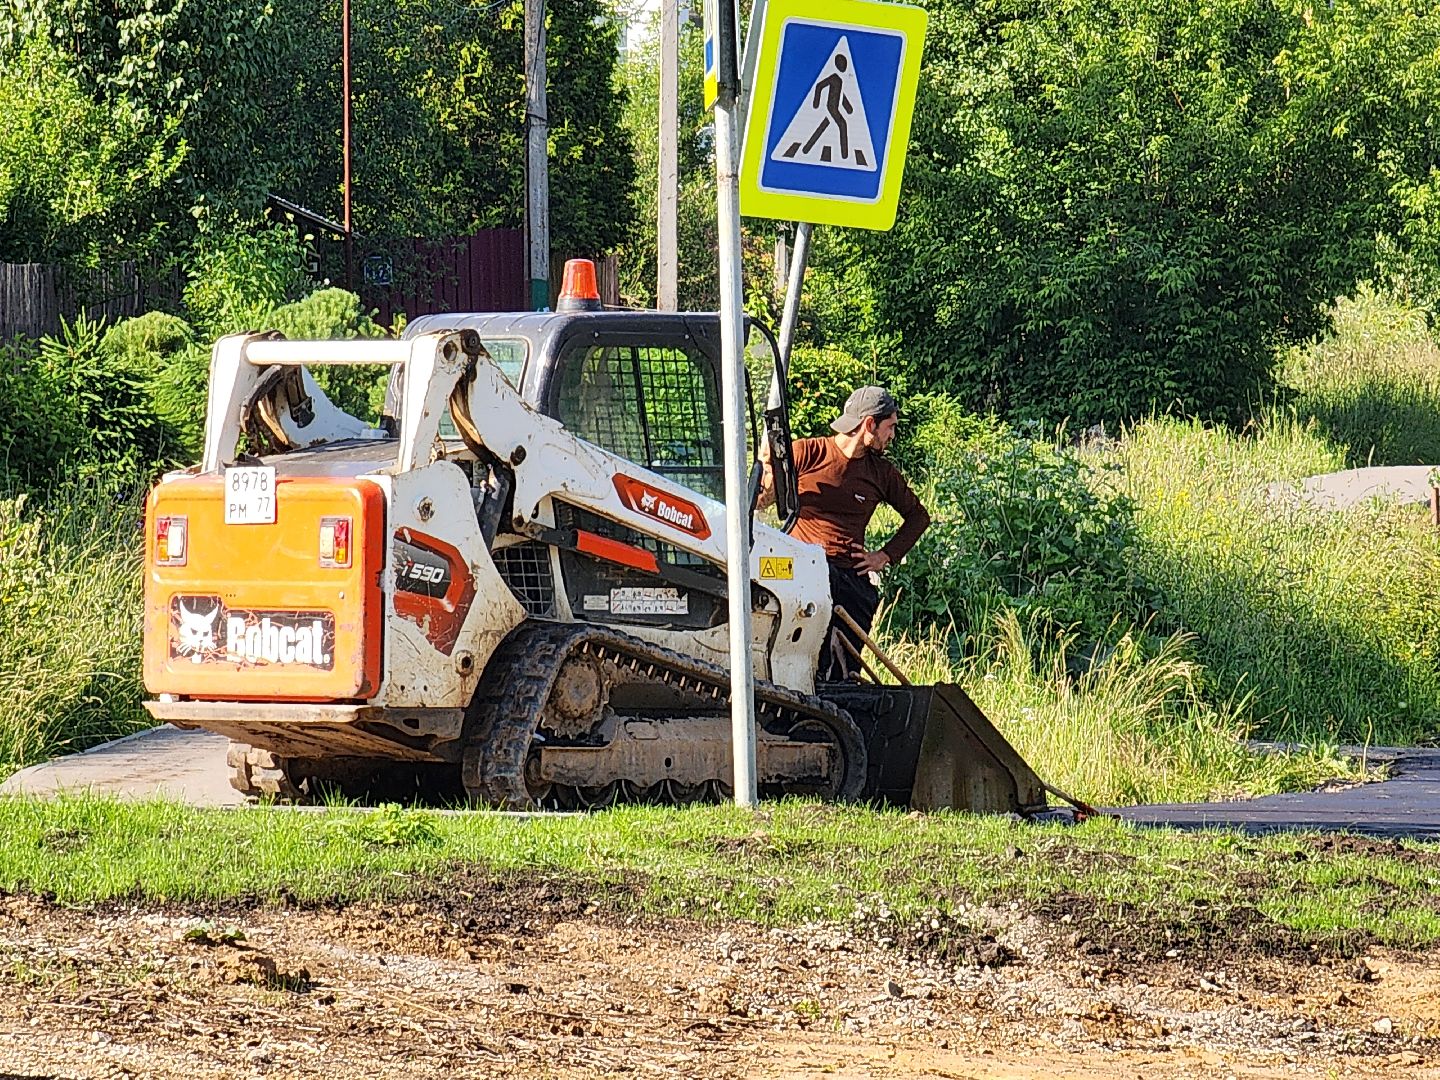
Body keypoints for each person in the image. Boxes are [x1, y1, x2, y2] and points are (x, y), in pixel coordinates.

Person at [762, 386, 931, 680]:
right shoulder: (807, 452)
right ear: (869, 424)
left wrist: (884, 556)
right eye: (889, 427)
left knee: (840, 674)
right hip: (803, 576)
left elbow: (919, 517)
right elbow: (761, 499)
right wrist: (767, 466)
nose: (892, 436)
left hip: (849, 583)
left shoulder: (881, 473)